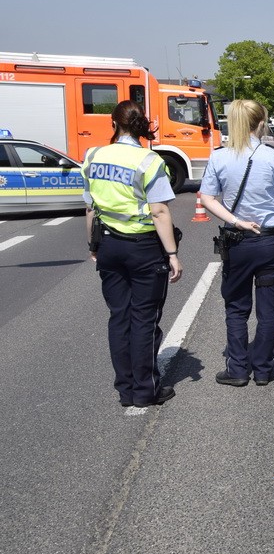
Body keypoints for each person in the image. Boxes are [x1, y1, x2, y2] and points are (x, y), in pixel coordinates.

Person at [200, 100, 274, 388]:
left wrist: (236, 220)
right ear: (260, 123)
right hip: (270, 243)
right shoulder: (273, 157)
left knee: (236, 308)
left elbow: (206, 199)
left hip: (239, 244)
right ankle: (264, 369)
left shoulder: (219, 157)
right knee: (268, 309)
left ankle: (238, 370)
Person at [81, 100, 182, 412]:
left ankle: (125, 389)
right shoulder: (149, 161)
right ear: (142, 126)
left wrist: (93, 246)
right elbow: (160, 210)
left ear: (114, 124)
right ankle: (145, 389)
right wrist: (172, 253)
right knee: (144, 319)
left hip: (109, 245)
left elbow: (90, 208)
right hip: (143, 248)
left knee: (119, 317)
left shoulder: (93, 155)